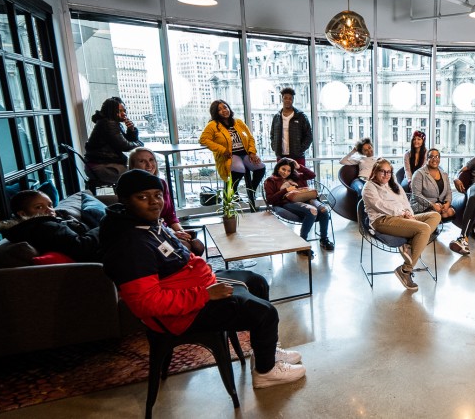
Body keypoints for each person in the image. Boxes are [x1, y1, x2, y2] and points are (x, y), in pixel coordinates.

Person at [100, 169, 306, 388]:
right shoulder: (130, 245)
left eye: (157, 195)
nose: (154, 202)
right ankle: (266, 372)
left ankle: (265, 351)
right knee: (265, 313)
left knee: (256, 282)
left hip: (197, 289)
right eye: (142, 197)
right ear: (124, 200)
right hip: (183, 314)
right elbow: (146, 304)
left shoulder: (146, 225)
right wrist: (205, 294)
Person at [361, 158, 441, 290]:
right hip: (382, 220)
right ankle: (405, 270)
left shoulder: (394, 185)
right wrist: (402, 214)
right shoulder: (369, 187)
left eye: (389, 172)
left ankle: (408, 246)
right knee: (424, 229)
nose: (386, 175)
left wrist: (409, 214)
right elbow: (380, 205)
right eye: (382, 171)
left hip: (403, 217)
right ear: (375, 172)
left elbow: (405, 202)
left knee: (435, 216)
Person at [128, 147, 205, 257]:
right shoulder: (131, 189)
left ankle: (193, 270)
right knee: (184, 247)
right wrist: (172, 234)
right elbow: (141, 223)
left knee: (197, 244)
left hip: (164, 230)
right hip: (150, 235)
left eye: (151, 160)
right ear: (133, 166)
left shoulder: (161, 183)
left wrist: (181, 231)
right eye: (142, 161)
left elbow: (170, 214)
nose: (149, 165)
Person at [199, 100, 266, 212]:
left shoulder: (238, 122)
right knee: (240, 169)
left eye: (225, 107)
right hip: (229, 155)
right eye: (219, 109)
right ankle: (233, 192)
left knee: (261, 167)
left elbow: (250, 138)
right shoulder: (213, 125)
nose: (224, 111)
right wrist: (221, 149)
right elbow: (203, 140)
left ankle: (251, 191)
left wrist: (252, 152)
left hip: (244, 153)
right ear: (216, 113)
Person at [0, 190, 100, 262]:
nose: (50, 210)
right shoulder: (46, 227)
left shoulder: (29, 228)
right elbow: (82, 248)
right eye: (39, 207)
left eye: (50, 205)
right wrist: (105, 226)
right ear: (23, 214)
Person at [263, 157, 334, 257]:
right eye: (283, 169)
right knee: (312, 211)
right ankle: (302, 245)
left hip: (307, 199)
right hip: (286, 203)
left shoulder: (297, 176)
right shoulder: (271, 180)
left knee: (323, 210)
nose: (286, 173)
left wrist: (299, 166)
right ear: (278, 167)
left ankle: (324, 239)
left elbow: (312, 175)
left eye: (289, 170)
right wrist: (285, 190)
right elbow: (270, 200)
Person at [84, 96, 143, 186]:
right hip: (101, 167)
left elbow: (126, 141)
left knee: (141, 170)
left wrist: (131, 130)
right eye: (120, 111)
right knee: (140, 173)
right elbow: (125, 146)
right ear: (111, 111)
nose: (124, 114)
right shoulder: (108, 123)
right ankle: (130, 199)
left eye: (124, 110)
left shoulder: (113, 123)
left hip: (101, 165)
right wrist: (140, 144)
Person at [270, 87, 313, 167]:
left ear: (293, 100)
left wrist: (300, 149)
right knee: (282, 178)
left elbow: (309, 136)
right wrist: (274, 146)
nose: (287, 100)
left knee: (299, 178)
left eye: (290, 98)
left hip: (297, 156)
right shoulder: (277, 117)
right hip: (281, 156)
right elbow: (272, 135)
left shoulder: (301, 117)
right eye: (285, 98)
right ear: (282, 99)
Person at [410, 148, 455, 223]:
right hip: (422, 205)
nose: (434, 159)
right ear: (427, 159)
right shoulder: (419, 174)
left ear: (439, 159)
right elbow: (416, 195)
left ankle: (436, 229)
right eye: (431, 157)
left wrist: (447, 203)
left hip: (440, 204)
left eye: (437, 157)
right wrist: (433, 205)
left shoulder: (444, 174)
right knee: (436, 215)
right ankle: (431, 230)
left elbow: (448, 191)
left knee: (450, 212)